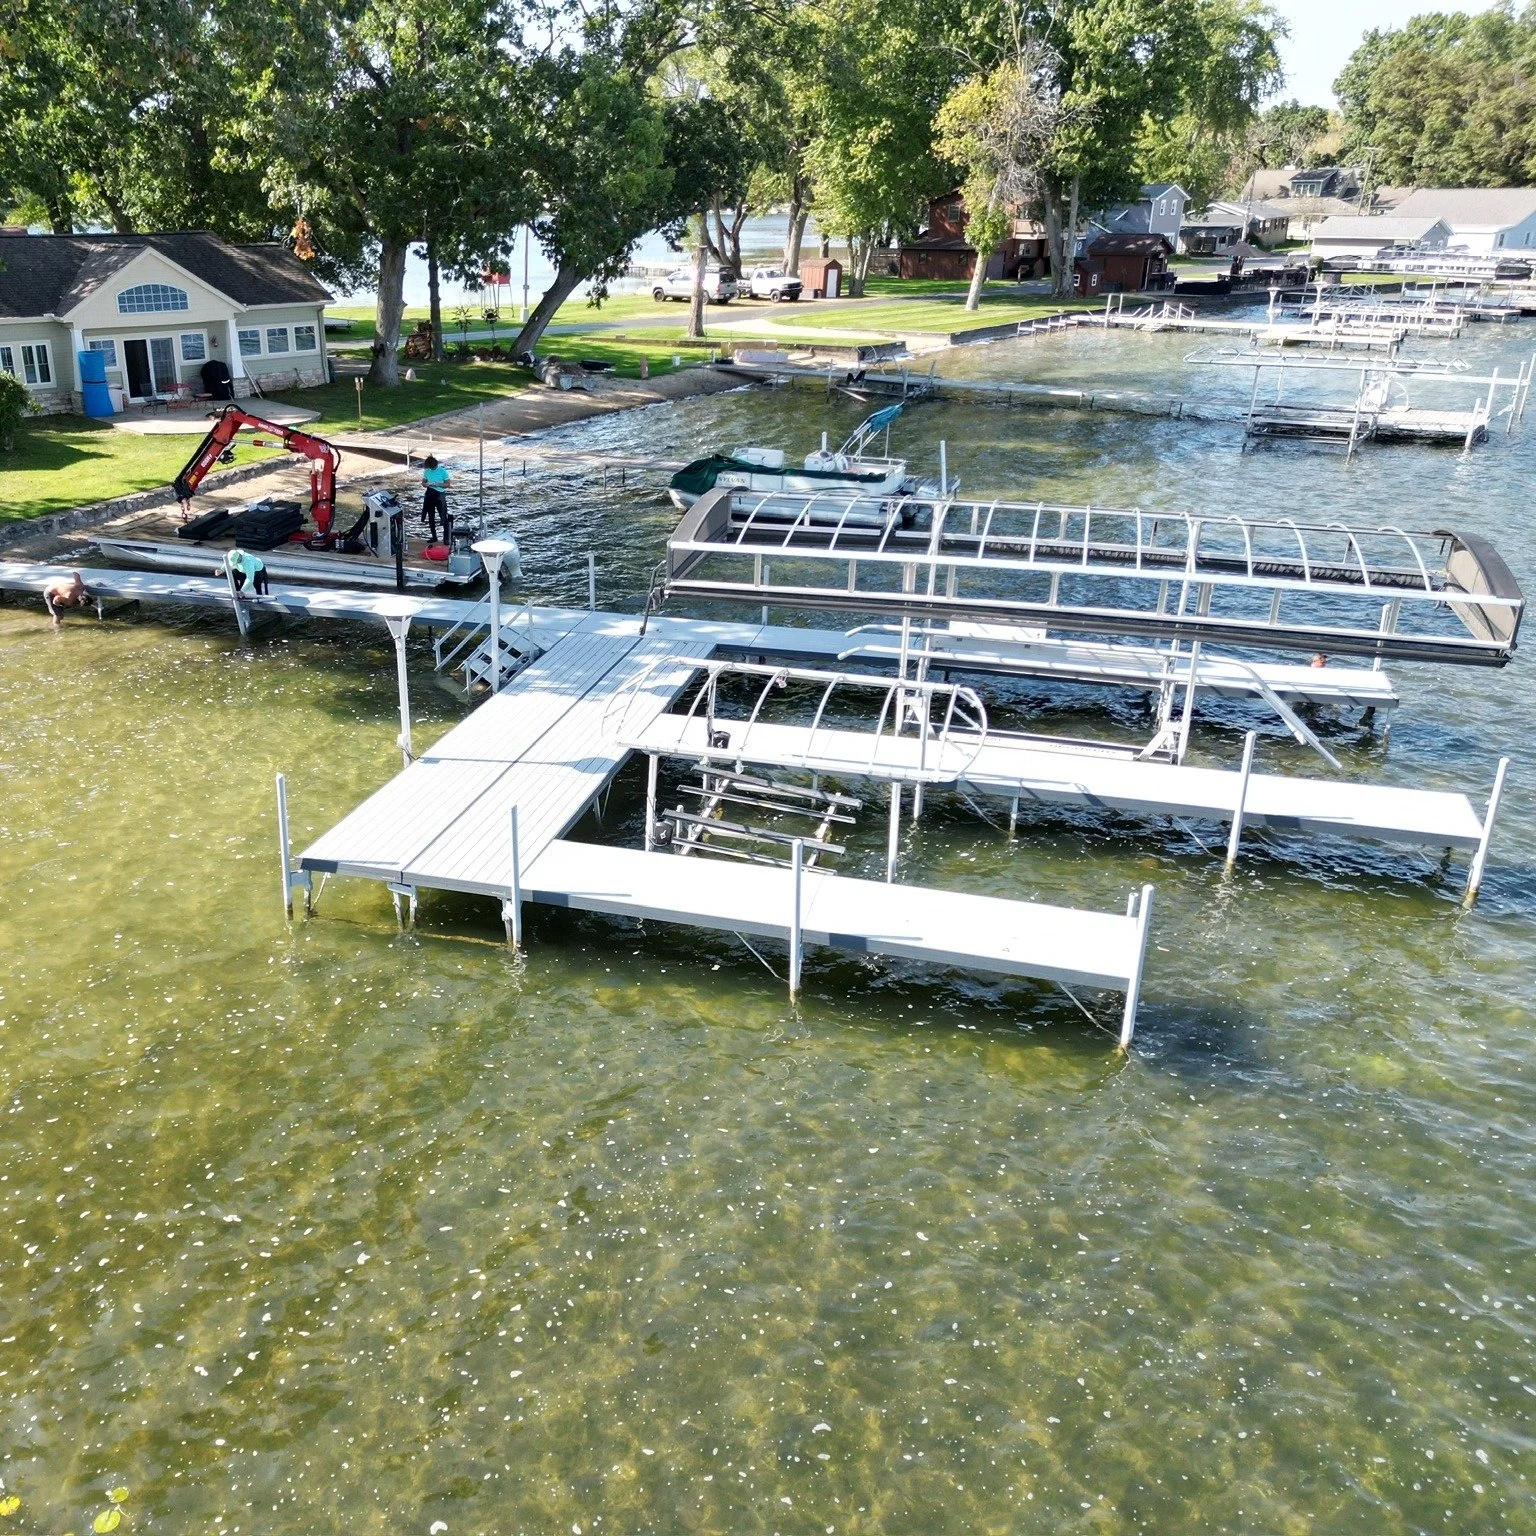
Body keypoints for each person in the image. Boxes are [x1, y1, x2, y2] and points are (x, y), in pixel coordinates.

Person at [421, 455, 452, 545]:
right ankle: (434, 536)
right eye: (430, 468)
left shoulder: (443, 471)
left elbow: (448, 484)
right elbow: (423, 482)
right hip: (430, 493)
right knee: (431, 517)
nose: (431, 469)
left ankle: (446, 538)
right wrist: (426, 484)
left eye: (433, 467)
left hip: (439, 494)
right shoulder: (427, 471)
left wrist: (438, 484)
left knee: (443, 516)